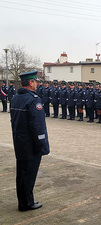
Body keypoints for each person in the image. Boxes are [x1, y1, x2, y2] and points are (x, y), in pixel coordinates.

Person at [10, 71, 50, 212]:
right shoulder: (33, 100)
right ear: (31, 83)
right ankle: (27, 203)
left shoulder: (15, 98)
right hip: (31, 144)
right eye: (36, 82)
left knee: (21, 173)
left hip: (19, 141)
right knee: (29, 174)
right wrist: (42, 145)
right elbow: (38, 126)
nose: (37, 84)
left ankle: (23, 201)